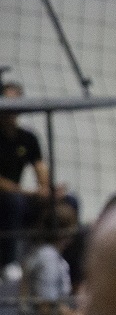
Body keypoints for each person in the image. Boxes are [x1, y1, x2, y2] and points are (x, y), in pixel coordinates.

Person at [0, 81, 53, 282]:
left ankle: (51, 258)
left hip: (19, 197)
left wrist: (45, 188)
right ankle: (9, 263)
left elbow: (39, 166)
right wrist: (25, 192)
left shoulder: (27, 138)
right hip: (7, 199)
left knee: (66, 203)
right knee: (14, 202)